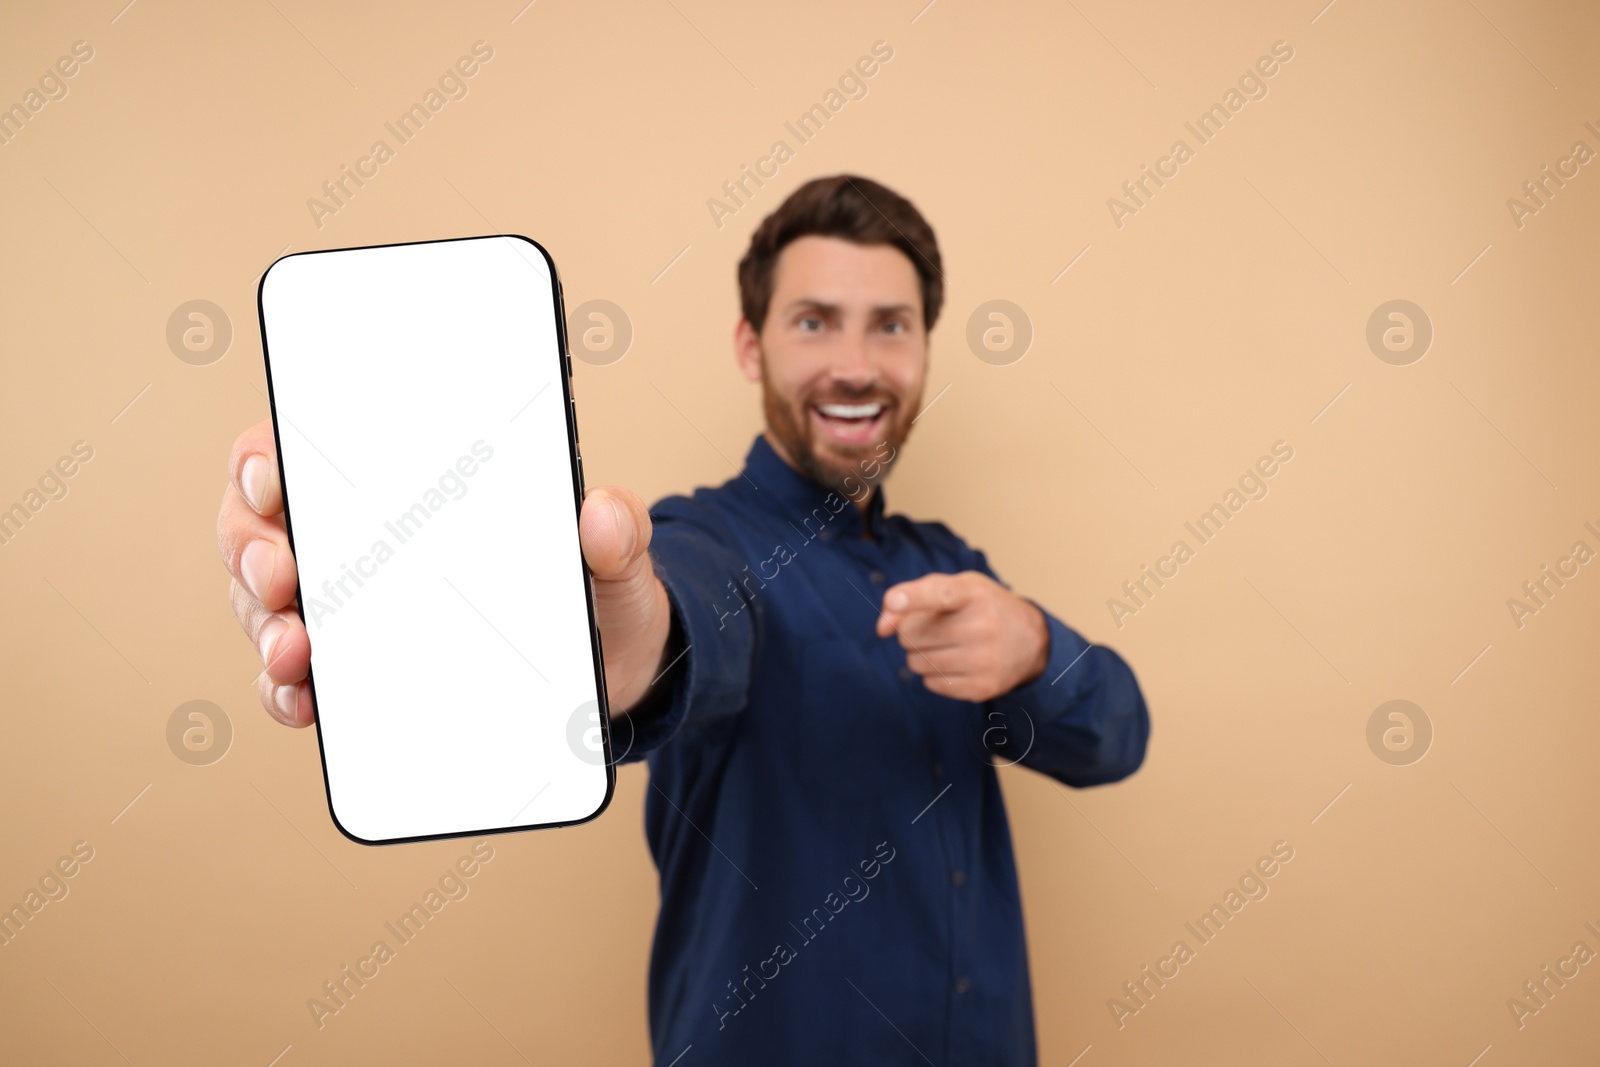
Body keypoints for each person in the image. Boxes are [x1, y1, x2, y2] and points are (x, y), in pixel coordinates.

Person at [217, 174, 1150, 1065]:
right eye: (815, 321)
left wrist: (1033, 647)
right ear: (751, 344)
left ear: (925, 348)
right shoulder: (710, 539)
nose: (858, 365)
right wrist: (619, 651)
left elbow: (1115, 738)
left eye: (891, 326)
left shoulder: (952, 565)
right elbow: (686, 616)